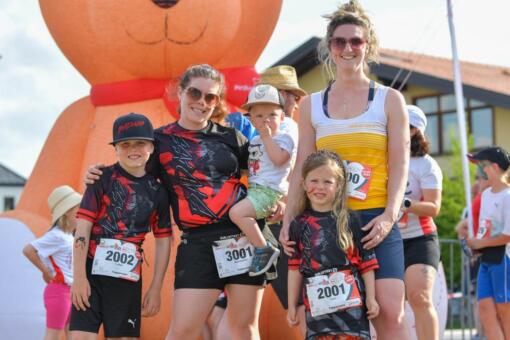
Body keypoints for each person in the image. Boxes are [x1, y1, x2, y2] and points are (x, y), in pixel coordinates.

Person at [280, 1, 410, 338]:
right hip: (326, 222)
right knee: (331, 322)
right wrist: (288, 220)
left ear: (368, 46)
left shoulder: (390, 100)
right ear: (329, 47)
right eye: (340, 41)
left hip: (374, 218)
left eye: (356, 41)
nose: (348, 48)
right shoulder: (311, 104)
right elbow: (300, 169)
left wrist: (389, 216)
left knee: (389, 311)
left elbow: (399, 163)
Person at [70, 112, 172, 339]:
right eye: (125, 144)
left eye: (140, 143)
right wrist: (78, 278)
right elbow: (82, 228)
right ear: (115, 148)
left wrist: (156, 288)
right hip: (90, 271)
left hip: (126, 279)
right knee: (79, 336)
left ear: (152, 147)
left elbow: (164, 240)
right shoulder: (100, 179)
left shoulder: (158, 192)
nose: (132, 149)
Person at [287, 150, 379, 339]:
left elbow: (367, 263)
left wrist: (371, 297)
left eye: (327, 182)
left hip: (352, 306)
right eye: (314, 181)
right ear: (304, 184)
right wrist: (291, 305)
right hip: (316, 308)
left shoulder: (351, 219)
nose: (320, 187)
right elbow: (295, 268)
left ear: (338, 186)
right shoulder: (298, 224)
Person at [229, 84, 298, 276]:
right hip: (256, 189)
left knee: (237, 213)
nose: (265, 120)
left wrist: (267, 137)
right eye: (259, 116)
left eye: (272, 115)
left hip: (270, 192)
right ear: (250, 119)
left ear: (282, 117)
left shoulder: (283, 137)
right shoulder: (255, 141)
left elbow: (279, 159)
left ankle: (263, 248)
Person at [398, 105, 442, 340]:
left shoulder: (426, 164)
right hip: (389, 239)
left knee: (420, 297)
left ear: (414, 130)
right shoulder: (385, 157)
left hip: (420, 239)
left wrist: (403, 203)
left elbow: (434, 207)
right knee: (391, 304)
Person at [22, 185, 82, 340]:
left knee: (72, 336)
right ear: (67, 211)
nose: (81, 211)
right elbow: (28, 250)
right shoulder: (57, 235)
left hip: (69, 292)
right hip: (59, 291)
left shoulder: (68, 236)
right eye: (78, 207)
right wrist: (46, 271)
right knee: (53, 336)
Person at [466, 146, 510, 340]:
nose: (479, 171)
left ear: (493, 167)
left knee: (504, 310)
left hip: (504, 259)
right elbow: (485, 227)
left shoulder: (507, 196)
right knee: (485, 308)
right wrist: (476, 243)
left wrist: (480, 243)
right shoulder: (485, 195)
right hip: (486, 259)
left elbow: (507, 236)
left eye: (481, 165)